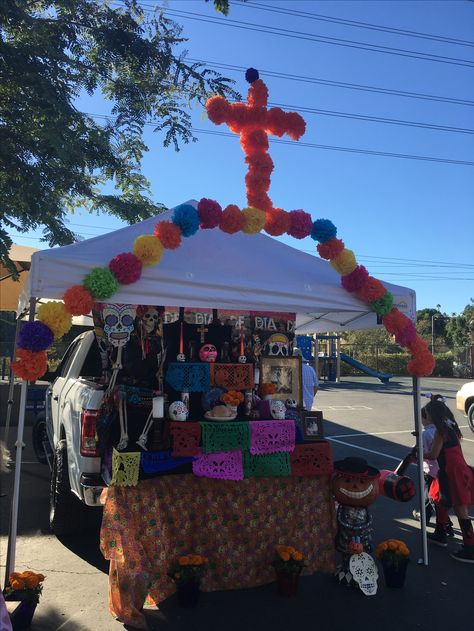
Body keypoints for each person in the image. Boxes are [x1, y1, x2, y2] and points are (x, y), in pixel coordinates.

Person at [422, 399, 474, 563]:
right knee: (439, 498)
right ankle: (440, 532)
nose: (426, 416)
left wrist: (420, 454)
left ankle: (470, 547)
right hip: (456, 468)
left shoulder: (440, 431)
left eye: (428, 413)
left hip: (452, 471)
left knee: (460, 509)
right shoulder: (451, 426)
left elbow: (434, 455)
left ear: (433, 414)